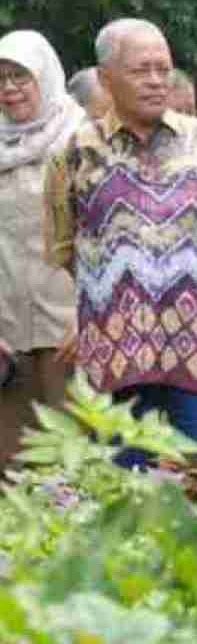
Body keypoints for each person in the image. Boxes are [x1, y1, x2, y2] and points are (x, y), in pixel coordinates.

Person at [44, 18, 197, 458]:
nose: (157, 81)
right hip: (117, 366)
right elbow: (67, 250)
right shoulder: (72, 154)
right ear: (106, 78)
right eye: (141, 70)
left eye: (164, 69)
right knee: (129, 510)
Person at [0, 31, 84, 466]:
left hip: (69, 330)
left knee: (76, 464)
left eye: (20, 76)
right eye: (1, 79)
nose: (9, 89)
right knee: (13, 471)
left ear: (46, 77)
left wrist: (94, 315)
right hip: (8, 339)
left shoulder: (82, 140)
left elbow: (109, 237)